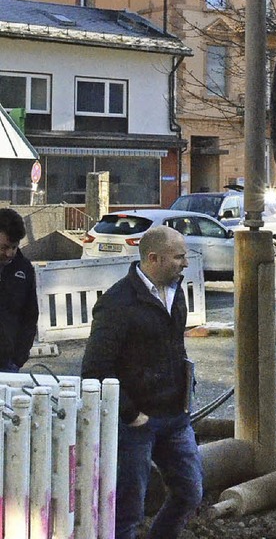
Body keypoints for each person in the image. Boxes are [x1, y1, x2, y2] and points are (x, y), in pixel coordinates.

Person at [82, 226, 202, 539]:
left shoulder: (175, 291)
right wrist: (131, 414)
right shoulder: (117, 304)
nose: (185, 263)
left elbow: (176, 347)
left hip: (175, 417)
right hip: (136, 425)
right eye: (179, 257)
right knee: (128, 513)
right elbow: (94, 368)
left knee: (190, 492)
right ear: (153, 258)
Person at [0, 208, 38, 373]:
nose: (9, 253)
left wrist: (18, 358)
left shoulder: (24, 269)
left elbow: (30, 316)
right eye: (4, 247)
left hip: (8, 363)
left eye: (14, 247)